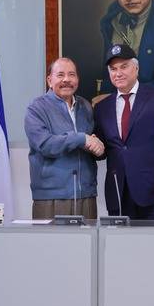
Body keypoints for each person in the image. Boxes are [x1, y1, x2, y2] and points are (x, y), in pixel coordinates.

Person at [93, 44, 154, 220]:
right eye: (113, 69)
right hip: (118, 193)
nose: (118, 73)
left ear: (136, 68)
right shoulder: (102, 108)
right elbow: (103, 151)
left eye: (124, 66)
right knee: (120, 239)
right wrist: (91, 144)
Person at [24, 58, 104, 219]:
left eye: (71, 75)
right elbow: (45, 145)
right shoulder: (36, 108)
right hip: (51, 197)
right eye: (60, 75)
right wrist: (81, 139)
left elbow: (92, 140)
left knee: (88, 236)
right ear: (49, 80)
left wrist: (98, 146)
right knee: (52, 237)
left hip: (86, 194)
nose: (66, 79)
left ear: (77, 79)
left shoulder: (86, 107)